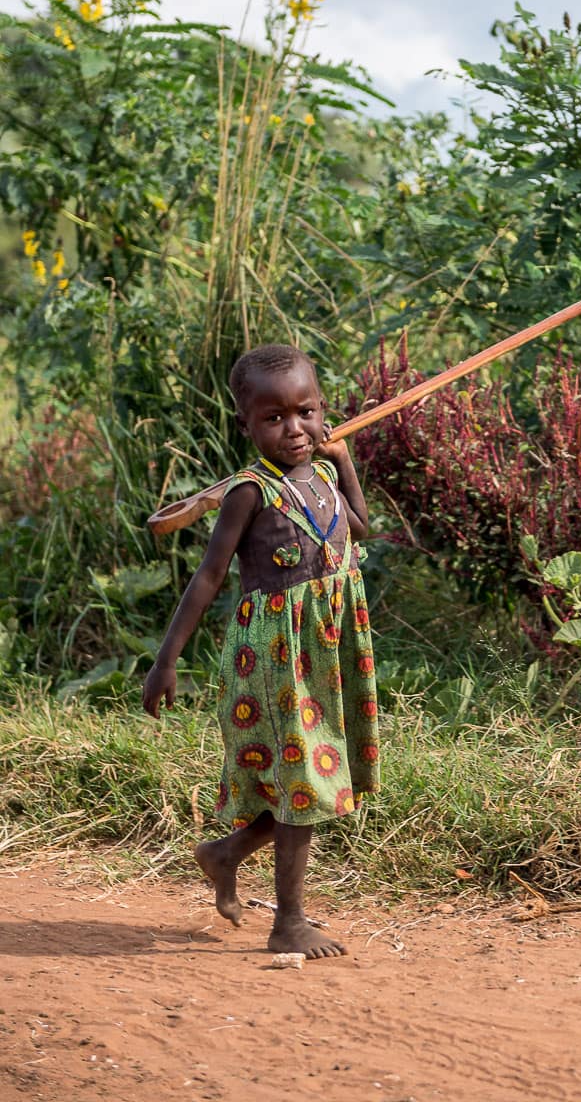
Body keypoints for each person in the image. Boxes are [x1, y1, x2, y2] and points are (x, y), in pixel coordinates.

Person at [142, 343, 379, 959]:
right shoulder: (249, 493)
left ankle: (223, 854)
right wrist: (166, 660)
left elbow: (360, 526)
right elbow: (209, 578)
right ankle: (289, 922)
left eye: (307, 412)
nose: (295, 428)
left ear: (324, 411)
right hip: (276, 657)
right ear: (245, 424)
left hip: (328, 647)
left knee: (318, 779)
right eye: (274, 419)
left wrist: (344, 459)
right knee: (303, 781)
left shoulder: (323, 471)